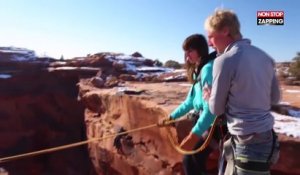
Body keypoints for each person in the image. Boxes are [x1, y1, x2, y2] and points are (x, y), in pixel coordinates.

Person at [203, 9, 281, 175]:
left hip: (246, 143)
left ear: (225, 30)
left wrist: (210, 97)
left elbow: (216, 109)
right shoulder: (265, 57)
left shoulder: (224, 60)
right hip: (268, 140)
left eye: (210, 36)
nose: (210, 43)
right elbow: (275, 98)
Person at [160, 34, 226, 175]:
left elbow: (211, 109)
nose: (186, 55)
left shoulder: (207, 69)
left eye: (190, 50)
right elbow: (190, 102)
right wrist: (171, 117)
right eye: (185, 51)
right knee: (193, 161)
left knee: (191, 159)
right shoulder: (200, 70)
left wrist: (194, 135)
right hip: (206, 124)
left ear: (200, 50)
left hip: (216, 127)